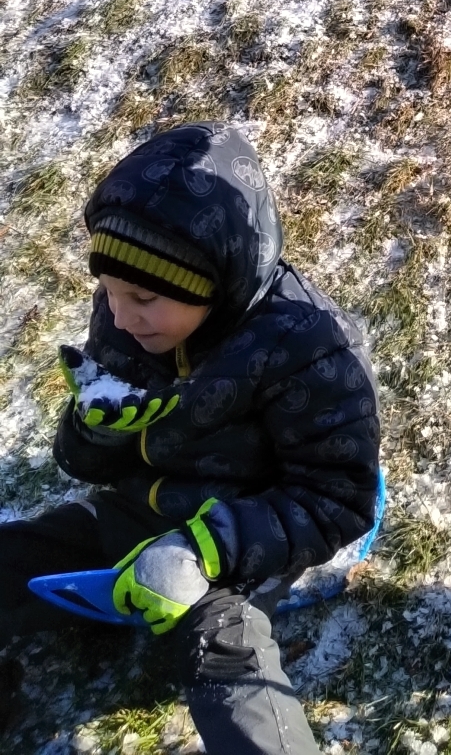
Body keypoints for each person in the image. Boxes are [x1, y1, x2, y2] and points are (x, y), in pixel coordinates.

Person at [0, 123, 381, 753]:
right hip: (132, 513)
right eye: (108, 291)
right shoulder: (129, 318)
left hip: (235, 549)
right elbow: (83, 464)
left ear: (212, 280)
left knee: (226, 658)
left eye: (143, 296)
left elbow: (336, 499)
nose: (119, 315)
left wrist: (202, 550)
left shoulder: (308, 347)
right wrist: (93, 429)